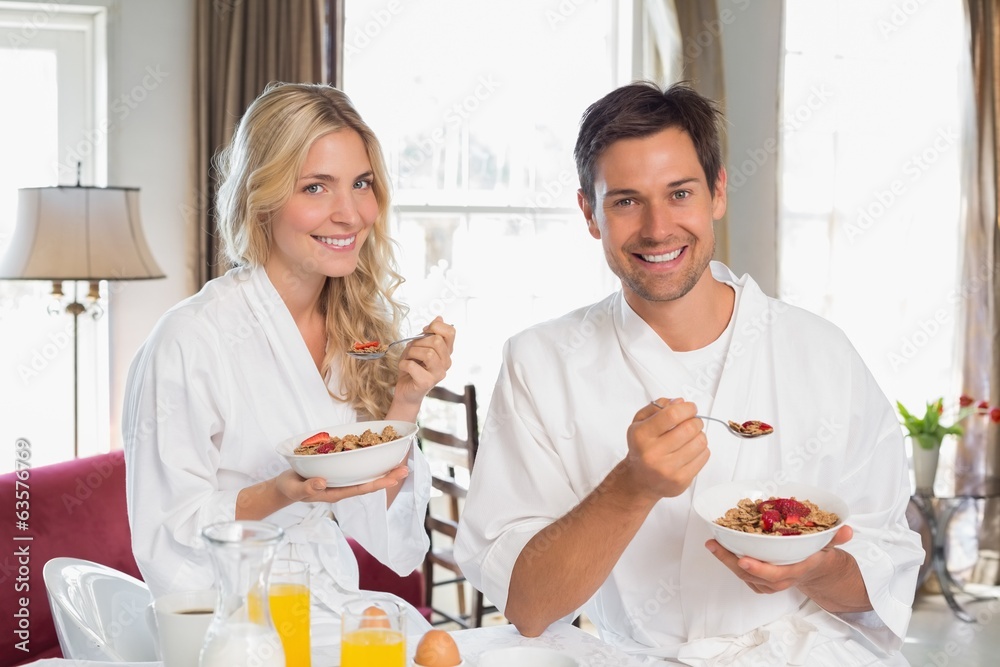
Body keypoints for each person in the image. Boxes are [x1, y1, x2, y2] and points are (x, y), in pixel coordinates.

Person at [454, 82, 923, 665]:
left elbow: (888, 571)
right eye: (626, 200)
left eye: (679, 193)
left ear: (718, 191)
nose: (657, 228)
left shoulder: (821, 353)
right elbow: (527, 605)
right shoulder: (541, 361)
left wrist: (819, 569)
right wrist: (630, 487)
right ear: (589, 214)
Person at [124, 82, 455, 640]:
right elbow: (164, 535)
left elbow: (380, 530)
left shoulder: (358, 331)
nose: (349, 214)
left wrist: (405, 400)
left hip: (329, 607)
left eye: (362, 184)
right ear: (264, 197)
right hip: (230, 626)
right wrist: (282, 491)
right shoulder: (191, 339)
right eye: (316, 187)